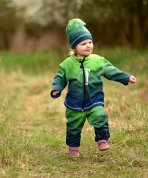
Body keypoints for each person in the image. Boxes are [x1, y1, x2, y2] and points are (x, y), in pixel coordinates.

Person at [50, 18, 136, 157]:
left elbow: (112, 71)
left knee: (100, 116)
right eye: (83, 43)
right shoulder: (67, 64)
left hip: (94, 99)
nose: (89, 45)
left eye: (90, 42)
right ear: (74, 47)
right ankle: (73, 149)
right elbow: (60, 77)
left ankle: (102, 140)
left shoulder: (98, 61)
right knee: (73, 126)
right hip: (74, 103)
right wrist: (56, 88)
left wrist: (126, 77)